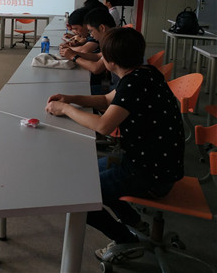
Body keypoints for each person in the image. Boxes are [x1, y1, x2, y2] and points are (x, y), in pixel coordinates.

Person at [45, 28, 184, 263]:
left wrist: (66, 109)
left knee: (78, 195)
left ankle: (125, 240)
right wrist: (71, 98)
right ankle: (134, 222)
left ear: (109, 62)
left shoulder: (133, 84)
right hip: (152, 162)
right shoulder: (144, 73)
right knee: (87, 173)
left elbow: (103, 126)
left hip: (151, 173)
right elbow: (106, 100)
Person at [60, 7, 117, 95]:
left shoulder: (114, 42)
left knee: (77, 90)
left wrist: (74, 57)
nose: (91, 35)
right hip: (109, 82)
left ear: (102, 28)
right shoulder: (112, 38)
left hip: (113, 87)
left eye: (91, 31)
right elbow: (98, 56)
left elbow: (96, 68)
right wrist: (73, 53)